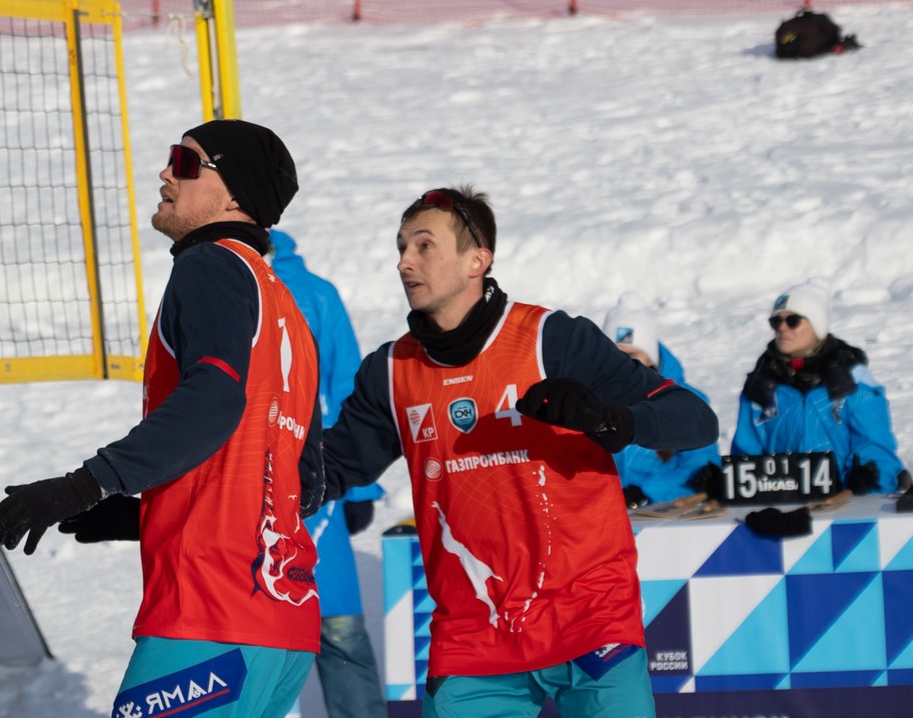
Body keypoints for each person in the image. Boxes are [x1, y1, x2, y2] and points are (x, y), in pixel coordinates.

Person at [323, 188, 719, 718]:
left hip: (588, 620)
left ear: (477, 260)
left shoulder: (552, 339)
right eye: (401, 247)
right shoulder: (392, 370)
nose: (404, 262)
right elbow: (331, 468)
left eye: (424, 245)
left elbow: (695, 418)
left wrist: (609, 420)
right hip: (474, 636)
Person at [0, 120, 324, 718]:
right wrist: (148, 513)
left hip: (210, 616)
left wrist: (85, 485)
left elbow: (212, 402)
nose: (166, 173)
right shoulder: (286, 308)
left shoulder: (211, 265)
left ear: (235, 195)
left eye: (186, 162)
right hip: (283, 626)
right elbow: (306, 481)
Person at [268, 227, 386, 718]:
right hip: (270, 483)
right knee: (266, 636)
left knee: (333, 626)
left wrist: (358, 486)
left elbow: (346, 389)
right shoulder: (220, 283)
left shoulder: (311, 293)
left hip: (314, 479)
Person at [735, 282, 907, 497]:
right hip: (780, 503)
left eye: (792, 321)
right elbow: (745, 455)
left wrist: (870, 477)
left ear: (817, 325)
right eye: (776, 321)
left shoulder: (854, 382)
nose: (782, 328)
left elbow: (876, 448)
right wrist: (727, 482)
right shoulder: (759, 386)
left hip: (844, 504)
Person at [602, 294, 722, 509]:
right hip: (605, 513)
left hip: (665, 515)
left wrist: (644, 492)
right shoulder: (591, 398)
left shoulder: (684, 402)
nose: (623, 365)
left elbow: (702, 466)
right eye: (615, 355)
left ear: (650, 359)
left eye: (632, 356)